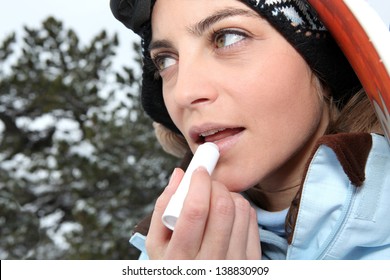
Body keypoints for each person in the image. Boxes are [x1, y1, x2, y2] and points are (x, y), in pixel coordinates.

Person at [110, 0, 390, 259]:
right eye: (166, 60)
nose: (184, 92)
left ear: (323, 65)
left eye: (227, 38)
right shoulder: (164, 254)